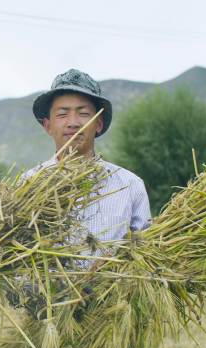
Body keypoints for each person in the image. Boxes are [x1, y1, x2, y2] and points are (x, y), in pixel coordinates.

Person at [29, 68, 151, 260]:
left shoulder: (129, 185)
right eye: (62, 114)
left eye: (84, 113)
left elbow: (145, 253)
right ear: (48, 125)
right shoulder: (28, 185)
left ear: (98, 124)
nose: (73, 123)